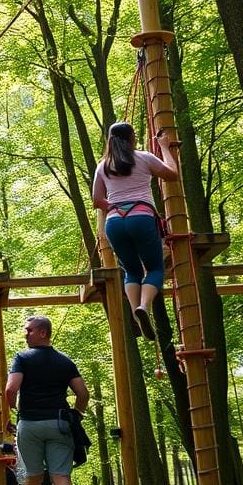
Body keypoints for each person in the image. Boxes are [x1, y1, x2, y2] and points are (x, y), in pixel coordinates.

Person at [91, 121, 180, 340]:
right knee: (155, 269)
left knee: (132, 271)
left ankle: (135, 314)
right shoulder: (144, 157)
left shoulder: (103, 166)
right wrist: (165, 148)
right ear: (131, 138)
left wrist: (116, 206)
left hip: (114, 221)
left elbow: (97, 200)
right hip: (141, 218)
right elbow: (172, 174)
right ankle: (144, 307)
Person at [6, 316, 89, 485]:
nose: (26, 334)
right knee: (61, 478)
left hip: (29, 424)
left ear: (43, 332)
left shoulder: (22, 358)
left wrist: (14, 407)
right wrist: (77, 414)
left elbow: (11, 389)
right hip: (59, 424)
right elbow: (83, 393)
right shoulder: (65, 361)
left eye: (29, 330)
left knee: (32, 477)